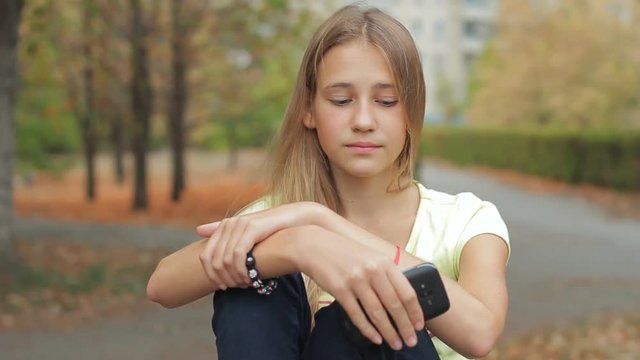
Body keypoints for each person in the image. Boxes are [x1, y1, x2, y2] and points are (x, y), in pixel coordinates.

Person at [146, 4, 510, 360]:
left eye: (386, 101)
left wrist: (321, 222)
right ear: (309, 109)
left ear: (410, 114)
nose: (364, 120)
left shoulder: (466, 219)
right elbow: (162, 285)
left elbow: (479, 335)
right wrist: (299, 246)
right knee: (251, 277)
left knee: (369, 308)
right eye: (341, 100)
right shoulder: (279, 218)